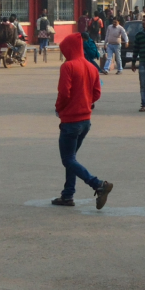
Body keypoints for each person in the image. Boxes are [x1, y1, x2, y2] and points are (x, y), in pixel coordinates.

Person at [52, 32, 112, 208]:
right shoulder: (91, 67)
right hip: (85, 121)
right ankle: (67, 195)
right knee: (72, 158)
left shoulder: (68, 67)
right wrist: (86, 102)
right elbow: (97, 93)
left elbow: (64, 93)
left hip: (70, 121)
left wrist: (59, 108)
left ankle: (98, 184)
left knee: (68, 159)